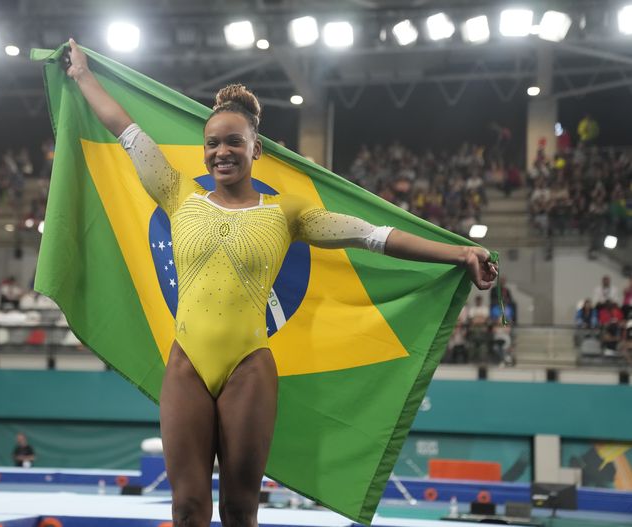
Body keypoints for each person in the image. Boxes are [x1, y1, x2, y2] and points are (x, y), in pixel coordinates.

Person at [64, 38, 497, 527]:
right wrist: (81, 75)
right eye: (212, 144)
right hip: (185, 364)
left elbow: (374, 236)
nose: (221, 152)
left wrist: (461, 252)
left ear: (256, 148)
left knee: (239, 509)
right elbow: (124, 127)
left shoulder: (287, 213)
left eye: (233, 142)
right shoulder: (175, 192)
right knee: (186, 508)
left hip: (248, 370)